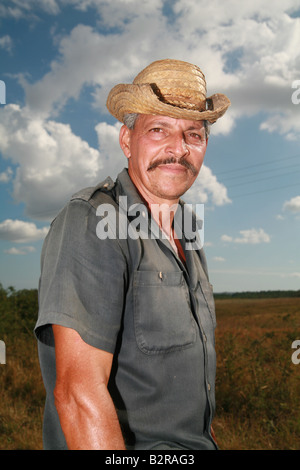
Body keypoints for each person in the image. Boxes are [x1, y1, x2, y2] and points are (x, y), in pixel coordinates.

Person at [35, 59, 230, 450]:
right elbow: (79, 396)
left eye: (194, 134)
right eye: (159, 130)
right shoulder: (92, 221)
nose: (178, 149)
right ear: (127, 140)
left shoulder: (188, 229)